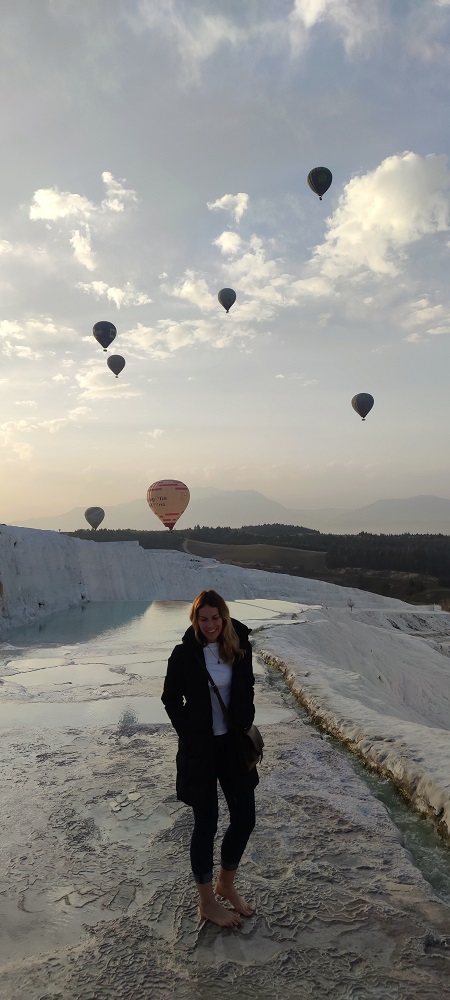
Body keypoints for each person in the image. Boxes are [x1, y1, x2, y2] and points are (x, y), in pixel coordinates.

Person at [162, 589, 258, 927]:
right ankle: (207, 903)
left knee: (245, 819)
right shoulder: (184, 655)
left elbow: (247, 687)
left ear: (224, 617)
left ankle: (225, 885)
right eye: (203, 619)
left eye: (215, 617)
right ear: (195, 621)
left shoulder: (239, 647)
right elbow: (170, 698)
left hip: (233, 746)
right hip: (200, 749)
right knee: (206, 823)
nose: (210, 624)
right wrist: (189, 732)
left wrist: (245, 717)